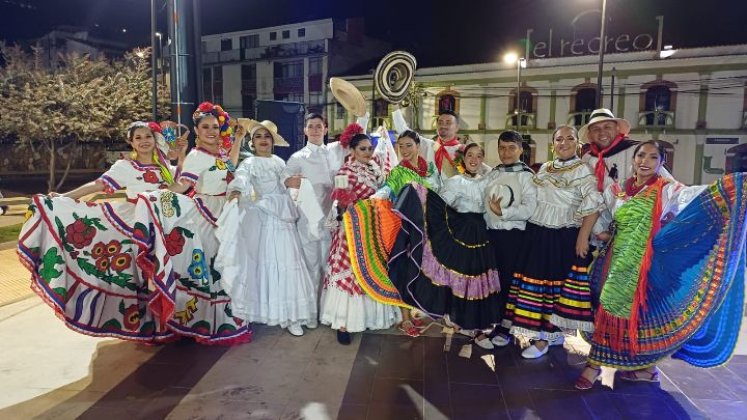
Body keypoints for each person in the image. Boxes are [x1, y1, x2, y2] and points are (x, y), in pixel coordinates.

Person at [575, 141, 747, 390]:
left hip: (647, 264)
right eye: (641, 155)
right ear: (633, 160)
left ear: (661, 163)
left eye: (653, 157)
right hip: (615, 259)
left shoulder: (668, 189)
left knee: (632, 311)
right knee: (620, 309)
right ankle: (645, 369)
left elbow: (694, 197)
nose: (645, 161)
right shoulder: (620, 190)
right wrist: (601, 232)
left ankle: (594, 366)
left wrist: (730, 188)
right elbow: (604, 215)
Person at [17, 121, 186, 343]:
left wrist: (182, 154)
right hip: (137, 226)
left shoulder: (165, 168)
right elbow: (97, 186)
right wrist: (64, 198)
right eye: (138, 137)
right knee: (145, 276)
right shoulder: (125, 167)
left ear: (155, 140)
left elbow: (185, 183)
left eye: (148, 136)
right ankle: (152, 327)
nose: (144, 141)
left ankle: (170, 324)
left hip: (165, 225)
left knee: (165, 273)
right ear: (131, 142)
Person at [505, 125, 604, 359]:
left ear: (578, 144)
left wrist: (583, 237)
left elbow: (593, 207)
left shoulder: (584, 171)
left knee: (553, 289)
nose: (564, 142)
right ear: (553, 144)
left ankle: (545, 339)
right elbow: (533, 200)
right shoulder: (546, 168)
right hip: (537, 234)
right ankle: (547, 335)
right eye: (559, 139)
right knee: (536, 287)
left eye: (570, 138)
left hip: (563, 235)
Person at [160, 101, 252, 345]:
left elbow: (230, 166)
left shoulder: (219, 152)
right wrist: (159, 195)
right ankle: (204, 322)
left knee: (226, 265)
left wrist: (238, 140)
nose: (211, 131)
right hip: (206, 214)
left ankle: (223, 319)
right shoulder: (196, 156)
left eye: (215, 126)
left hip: (226, 211)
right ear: (198, 131)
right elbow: (183, 185)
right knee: (210, 266)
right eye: (205, 127)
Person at [387, 143, 502, 335]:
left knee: (477, 276)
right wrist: (417, 192)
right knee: (460, 277)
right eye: (470, 156)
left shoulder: (489, 181)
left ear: (482, 159)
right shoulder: (454, 182)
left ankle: (477, 321)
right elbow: (440, 206)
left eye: (478, 156)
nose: (473, 160)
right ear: (463, 159)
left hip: (481, 234)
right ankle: (458, 318)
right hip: (460, 233)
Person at [220, 119, 317, 336]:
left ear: (272, 141)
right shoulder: (249, 163)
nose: (263, 140)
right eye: (258, 137)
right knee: (264, 264)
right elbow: (241, 178)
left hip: (282, 218)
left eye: (267, 137)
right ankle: (270, 311)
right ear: (252, 142)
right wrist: (235, 191)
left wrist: (300, 182)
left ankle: (293, 315)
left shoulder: (279, 162)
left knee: (288, 262)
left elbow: (287, 181)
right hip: (262, 218)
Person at [345, 129, 441, 337]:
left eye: (409, 145)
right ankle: (405, 319)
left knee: (427, 270)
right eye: (401, 146)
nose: (405, 150)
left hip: (430, 227)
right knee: (405, 270)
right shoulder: (398, 172)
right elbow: (386, 190)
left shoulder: (431, 170)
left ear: (417, 145)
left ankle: (422, 307)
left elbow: (441, 193)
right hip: (407, 227)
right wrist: (369, 202)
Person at [319, 124, 402, 345]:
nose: (368, 153)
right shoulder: (345, 171)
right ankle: (343, 323)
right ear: (352, 151)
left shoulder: (374, 168)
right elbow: (339, 201)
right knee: (350, 272)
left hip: (372, 227)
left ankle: (368, 318)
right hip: (351, 229)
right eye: (363, 149)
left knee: (370, 270)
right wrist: (352, 214)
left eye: (369, 148)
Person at [480, 130, 538, 349]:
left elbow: (530, 208)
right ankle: (497, 322)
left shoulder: (527, 175)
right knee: (494, 282)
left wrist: (503, 212)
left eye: (511, 148)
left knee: (508, 282)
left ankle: (506, 328)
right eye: (502, 148)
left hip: (514, 237)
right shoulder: (493, 174)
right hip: (492, 235)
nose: (506, 152)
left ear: (521, 150)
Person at [284, 113, 335, 304]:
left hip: (331, 217)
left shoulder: (334, 153)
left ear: (325, 129)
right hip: (307, 218)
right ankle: (311, 311)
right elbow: (285, 181)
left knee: (329, 265)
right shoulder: (297, 158)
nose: (314, 130)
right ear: (305, 130)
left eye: (318, 126)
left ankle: (328, 310)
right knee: (311, 266)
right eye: (311, 126)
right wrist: (292, 185)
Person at [392, 107, 490, 182]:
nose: (443, 125)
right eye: (440, 122)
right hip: (431, 198)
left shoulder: (463, 151)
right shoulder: (428, 145)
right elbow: (404, 131)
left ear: (457, 127)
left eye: (448, 123)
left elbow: (485, 170)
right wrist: (395, 107)